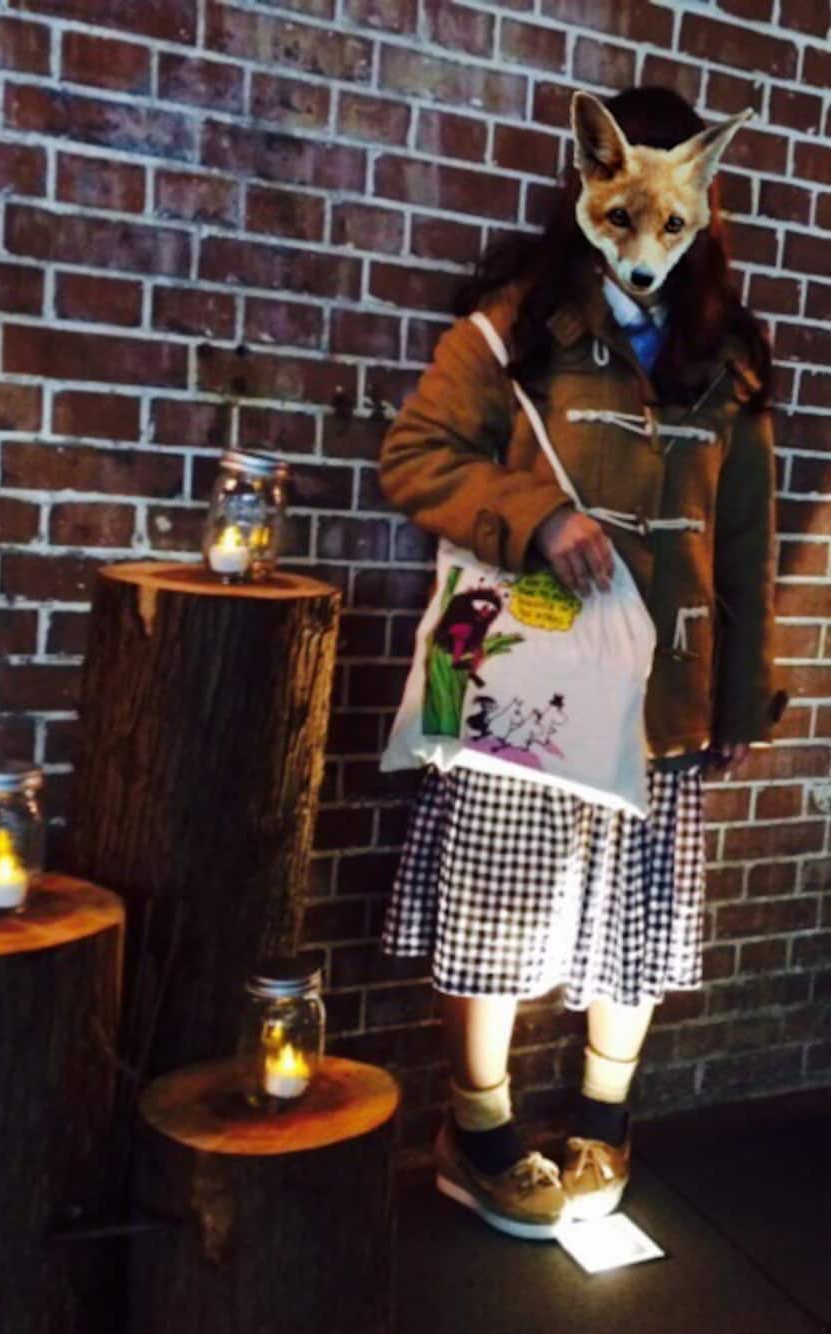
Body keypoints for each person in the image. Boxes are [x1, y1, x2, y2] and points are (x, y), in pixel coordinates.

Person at [378, 86, 786, 1239]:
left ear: (700, 208)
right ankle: (478, 1131)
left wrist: (740, 698)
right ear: (588, 185)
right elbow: (413, 453)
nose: (646, 245)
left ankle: (605, 1118)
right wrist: (535, 515)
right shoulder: (513, 330)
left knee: (636, 913)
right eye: (623, 215)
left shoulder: (726, 359)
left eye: (671, 220)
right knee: (496, 898)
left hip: (661, 689)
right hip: (517, 670)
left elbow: (745, 540)